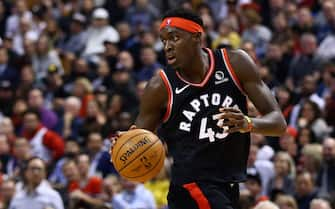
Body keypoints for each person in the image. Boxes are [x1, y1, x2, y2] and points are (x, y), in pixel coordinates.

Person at [112, 8, 287, 209]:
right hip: (191, 186)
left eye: (174, 38)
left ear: (196, 37)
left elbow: (278, 123)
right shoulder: (160, 87)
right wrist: (124, 145)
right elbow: (139, 140)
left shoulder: (235, 63)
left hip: (228, 183)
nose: (167, 46)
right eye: (163, 41)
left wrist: (248, 123)